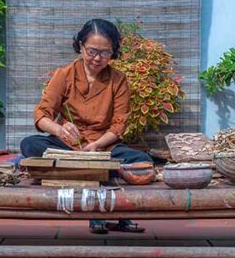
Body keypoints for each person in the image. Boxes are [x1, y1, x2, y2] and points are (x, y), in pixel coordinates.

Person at [21, 19, 153, 234]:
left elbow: (119, 124)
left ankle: (86, 173)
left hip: (103, 148)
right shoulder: (64, 74)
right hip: (67, 147)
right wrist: (59, 130)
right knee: (29, 144)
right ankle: (101, 177)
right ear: (80, 46)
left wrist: (97, 145)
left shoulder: (118, 80)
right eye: (91, 51)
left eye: (105, 52)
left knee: (143, 161)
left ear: (113, 52)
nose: (97, 58)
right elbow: (42, 115)